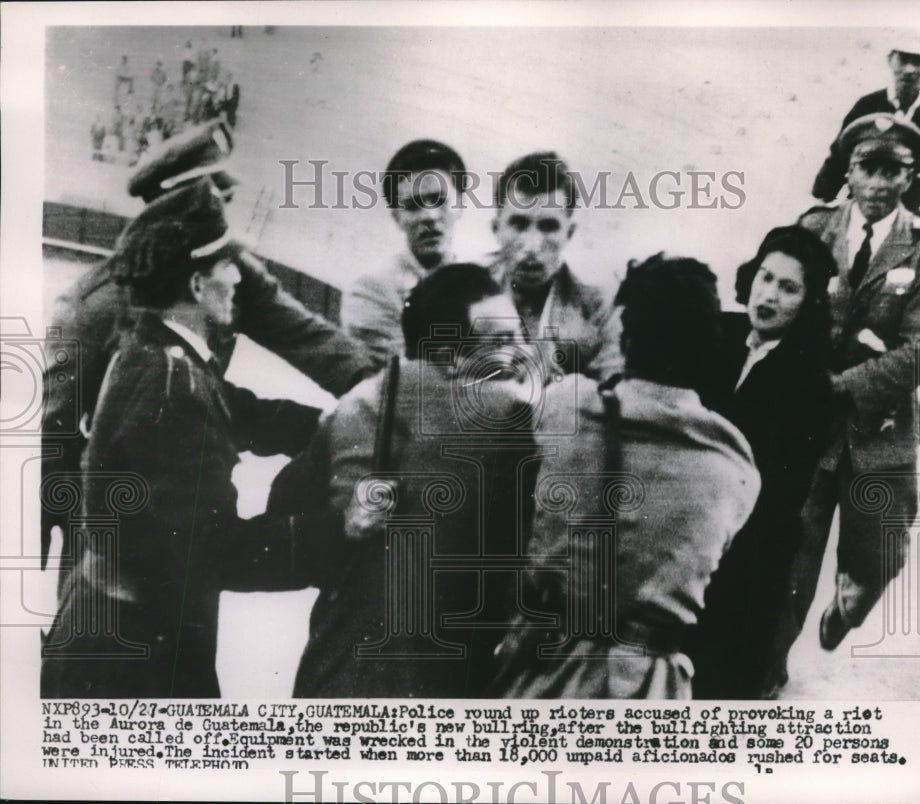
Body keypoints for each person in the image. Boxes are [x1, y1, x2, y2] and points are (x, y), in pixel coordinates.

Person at [41, 120, 377, 586]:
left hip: (191, 482)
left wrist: (384, 397)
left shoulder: (230, 274)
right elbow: (58, 429)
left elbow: (313, 342)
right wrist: (55, 509)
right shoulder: (90, 306)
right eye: (216, 190)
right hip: (112, 521)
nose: (228, 198)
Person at [40, 180, 339, 698]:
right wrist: (336, 537)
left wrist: (339, 425)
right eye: (228, 266)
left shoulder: (151, 348)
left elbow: (236, 409)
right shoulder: (173, 386)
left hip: (107, 627)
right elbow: (218, 550)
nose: (238, 279)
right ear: (198, 285)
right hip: (132, 659)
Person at [493, 254, 760, 699]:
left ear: (626, 334)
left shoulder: (565, 406)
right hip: (648, 690)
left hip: (541, 673)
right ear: (712, 342)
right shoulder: (735, 464)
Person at [282, 264, 536, 697]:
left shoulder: (355, 406)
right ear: (449, 358)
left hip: (331, 680)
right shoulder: (511, 420)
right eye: (501, 344)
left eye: (520, 338)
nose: (522, 355)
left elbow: (282, 509)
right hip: (440, 697)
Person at [775, 113, 920, 661]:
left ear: (910, 178)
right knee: (788, 562)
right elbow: (783, 314)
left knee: (878, 559)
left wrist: (844, 383)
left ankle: (849, 605)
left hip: (880, 434)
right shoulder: (811, 230)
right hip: (808, 430)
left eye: (891, 171)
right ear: (847, 172)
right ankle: (767, 669)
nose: (877, 184)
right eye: (865, 168)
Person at [685, 226, 836, 699]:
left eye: (788, 287)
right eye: (765, 277)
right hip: (689, 543)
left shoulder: (810, 381)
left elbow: (778, 497)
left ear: (808, 303)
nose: (768, 294)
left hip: (748, 564)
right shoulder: (718, 334)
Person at [811, 33, 920, 242]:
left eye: (917, 61)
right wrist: (823, 197)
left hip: (908, 215)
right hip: (862, 205)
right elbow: (839, 155)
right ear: (890, 59)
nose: (909, 69)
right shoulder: (867, 105)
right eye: (903, 59)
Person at [491, 151, 623, 383]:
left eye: (548, 226)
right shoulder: (466, 296)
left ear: (568, 233)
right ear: (496, 228)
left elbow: (613, 395)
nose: (532, 245)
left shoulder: (600, 304)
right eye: (519, 224)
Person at [340, 139, 469, 368]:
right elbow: (402, 382)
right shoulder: (371, 291)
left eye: (439, 201)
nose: (429, 216)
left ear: (460, 204)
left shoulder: (481, 281)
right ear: (397, 217)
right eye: (412, 206)